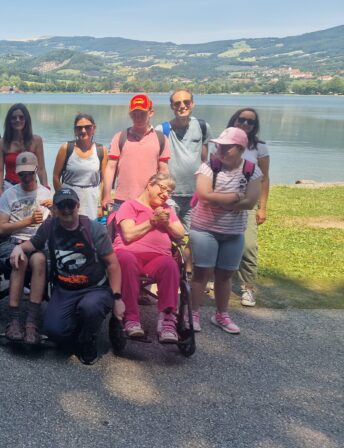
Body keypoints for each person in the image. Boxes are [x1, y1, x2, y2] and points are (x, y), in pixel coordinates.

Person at [11, 187, 124, 365]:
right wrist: (18, 248)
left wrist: (117, 299)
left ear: (77, 205)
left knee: (90, 307)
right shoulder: (50, 226)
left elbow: (113, 264)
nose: (66, 209)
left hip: (94, 288)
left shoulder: (93, 229)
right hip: (65, 289)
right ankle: (77, 329)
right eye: (61, 205)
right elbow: (34, 243)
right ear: (54, 209)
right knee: (53, 331)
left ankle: (87, 340)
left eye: (70, 204)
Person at [189, 127, 262, 334]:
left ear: (240, 148)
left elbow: (251, 202)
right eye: (219, 146)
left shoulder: (251, 170)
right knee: (201, 273)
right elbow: (204, 196)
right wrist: (236, 196)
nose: (220, 150)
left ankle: (221, 314)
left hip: (234, 232)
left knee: (225, 276)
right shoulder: (208, 167)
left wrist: (218, 200)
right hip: (205, 230)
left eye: (227, 147)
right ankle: (192, 313)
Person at [112, 173, 186, 342]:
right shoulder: (130, 205)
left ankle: (167, 320)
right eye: (163, 188)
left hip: (158, 258)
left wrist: (166, 222)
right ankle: (131, 318)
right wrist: (153, 221)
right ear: (150, 184)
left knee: (170, 264)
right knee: (126, 260)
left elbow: (180, 234)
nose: (166, 194)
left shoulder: (167, 210)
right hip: (130, 254)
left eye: (170, 192)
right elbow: (128, 235)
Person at [0, 151, 53, 345]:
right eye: (22, 174)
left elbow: (57, 225)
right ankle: (14, 319)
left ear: (36, 170)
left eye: (29, 173)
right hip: (12, 241)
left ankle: (31, 321)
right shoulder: (9, 194)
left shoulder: (46, 194)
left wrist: (55, 210)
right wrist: (28, 221)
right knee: (20, 260)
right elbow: (1, 228)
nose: (26, 178)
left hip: (38, 242)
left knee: (39, 260)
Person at [228, 108, 270, 308]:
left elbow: (264, 179)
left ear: (255, 126)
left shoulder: (259, 147)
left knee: (248, 246)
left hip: (248, 203)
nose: (245, 124)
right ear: (234, 120)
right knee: (218, 240)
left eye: (250, 122)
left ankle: (248, 287)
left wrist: (263, 207)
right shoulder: (224, 141)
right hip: (224, 201)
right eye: (242, 119)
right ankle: (213, 278)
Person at [102, 94, 171, 213]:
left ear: (151, 113)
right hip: (122, 200)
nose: (138, 118)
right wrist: (107, 194)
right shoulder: (120, 137)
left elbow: (163, 170)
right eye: (134, 114)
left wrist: (163, 195)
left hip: (149, 200)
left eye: (142, 114)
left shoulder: (161, 139)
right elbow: (111, 167)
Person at [159, 89, 210, 227]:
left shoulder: (203, 127)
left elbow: (204, 161)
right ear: (172, 107)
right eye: (177, 103)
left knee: (194, 233)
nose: (182, 106)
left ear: (193, 104)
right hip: (169, 195)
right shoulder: (162, 131)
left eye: (186, 102)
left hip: (195, 195)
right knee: (169, 232)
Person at [52, 113, 106, 219]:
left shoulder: (101, 150)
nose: (83, 131)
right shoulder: (66, 148)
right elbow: (55, 176)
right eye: (79, 128)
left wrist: (100, 204)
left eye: (87, 127)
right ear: (75, 130)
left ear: (94, 128)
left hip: (91, 199)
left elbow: (104, 180)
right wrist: (61, 198)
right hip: (69, 198)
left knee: (89, 227)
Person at [0, 103, 47, 195]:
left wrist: (45, 188)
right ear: (9, 121)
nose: (17, 120)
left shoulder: (36, 140)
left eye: (21, 117)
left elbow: (41, 169)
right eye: (14, 118)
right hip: (9, 186)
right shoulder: (2, 142)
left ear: (26, 120)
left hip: (30, 186)